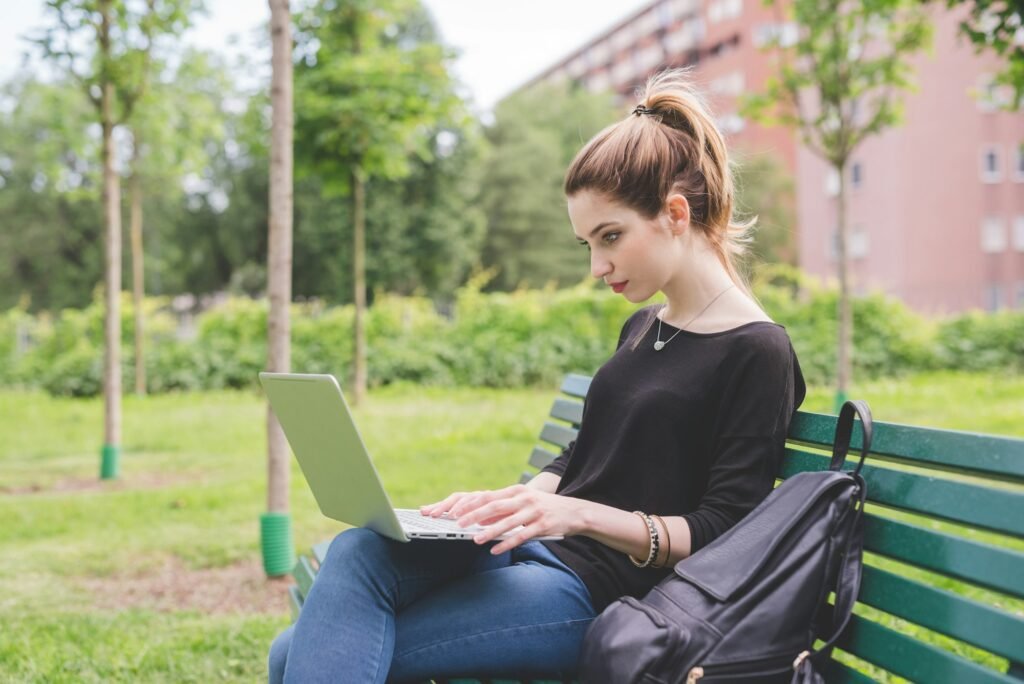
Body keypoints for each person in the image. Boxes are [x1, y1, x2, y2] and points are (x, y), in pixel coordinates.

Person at [267, 69, 806, 684]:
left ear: (675, 215)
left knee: (297, 658)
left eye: (610, 237)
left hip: (604, 598)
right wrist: (508, 503)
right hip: (538, 554)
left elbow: (724, 529)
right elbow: (589, 452)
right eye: (587, 245)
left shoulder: (757, 352)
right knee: (357, 552)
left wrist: (578, 515)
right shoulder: (645, 326)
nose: (598, 266)